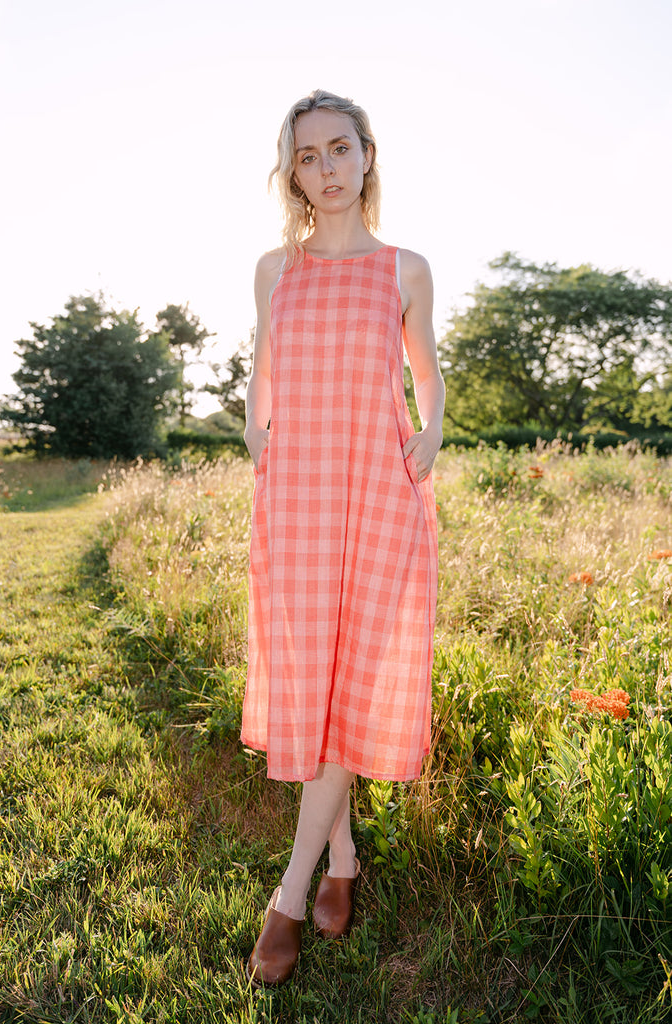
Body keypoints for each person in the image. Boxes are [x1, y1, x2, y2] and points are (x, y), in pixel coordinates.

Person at [241, 89, 445, 986]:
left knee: (349, 681)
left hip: (375, 495)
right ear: (292, 171)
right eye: (307, 156)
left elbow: (427, 380)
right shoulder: (272, 270)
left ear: (367, 154)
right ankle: (344, 862)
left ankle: (289, 896)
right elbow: (263, 373)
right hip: (296, 500)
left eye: (338, 149)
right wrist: (254, 428)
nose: (324, 169)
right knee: (317, 686)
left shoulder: (405, 269)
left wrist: (430, 432)